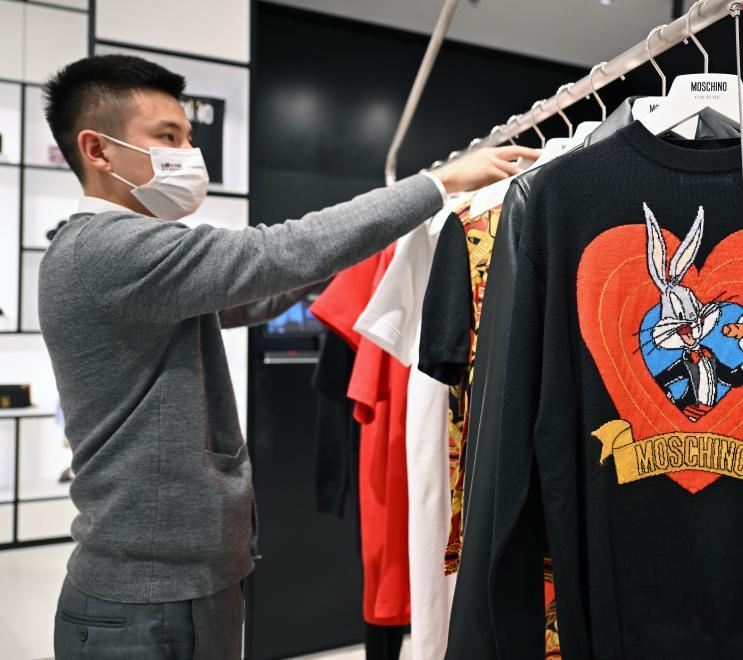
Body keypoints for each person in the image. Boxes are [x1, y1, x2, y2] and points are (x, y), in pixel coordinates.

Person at [37, 54, 536, 659]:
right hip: (151, 597)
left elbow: (261, 291)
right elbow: (274, 254)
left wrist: (372, 240)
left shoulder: (126, 256)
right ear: (97, 149)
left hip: (173, 582)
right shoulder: (109, 249)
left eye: (189, 137)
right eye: (167, 137)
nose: (189, 154)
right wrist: (438, 185)